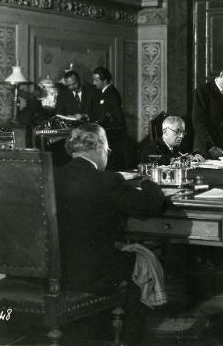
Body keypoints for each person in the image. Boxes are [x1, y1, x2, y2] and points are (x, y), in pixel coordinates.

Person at [54, 123, 168, 344]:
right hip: (91, 272)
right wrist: (148, 181)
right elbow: (149, 205)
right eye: (107, 149)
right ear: (98, 147)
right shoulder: (107, 180)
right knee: (140, 263)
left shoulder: (54, 177)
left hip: (58, 271)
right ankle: (130, 339)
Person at [90, 66, 126, 170]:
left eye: (96, 80)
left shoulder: (111, 94)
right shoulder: (104, 93)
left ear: (104, 81)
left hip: (111, 136)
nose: (94, 83)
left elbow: (114, 117)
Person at [140, 115, 205, 165]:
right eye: (177, 132)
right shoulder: (152, 148)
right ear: (165, 132)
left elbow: (189, 153)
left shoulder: (178, 145)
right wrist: (174, 160)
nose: (181, 136)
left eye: (183, 132)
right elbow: (152, 160)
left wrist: (196, 155)